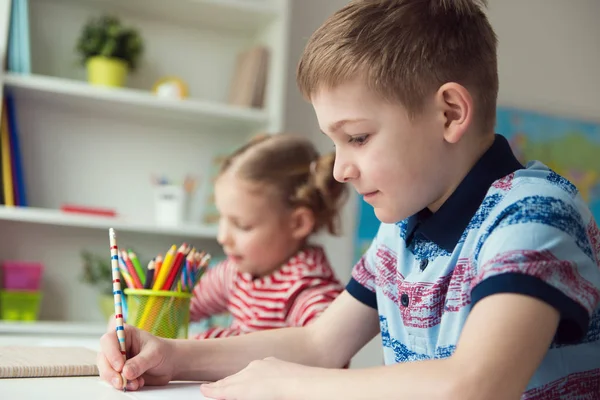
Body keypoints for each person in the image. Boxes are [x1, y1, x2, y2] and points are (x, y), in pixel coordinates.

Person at [97, 1, 600, 398]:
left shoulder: (535, 215)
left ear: (449, 113)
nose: (339, 168)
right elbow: (318, 343)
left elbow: (477, 385)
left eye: (357, 137)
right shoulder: (401, 226)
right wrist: (170, 355)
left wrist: (291, 385)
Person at [188, 134, 347, 339]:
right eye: (222, 219)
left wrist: (220, 345)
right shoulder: (235, 272)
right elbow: (183, 306)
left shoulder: (309, 293)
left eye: (242, 225)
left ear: (298, 223)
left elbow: (328, 354)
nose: (223, 237)